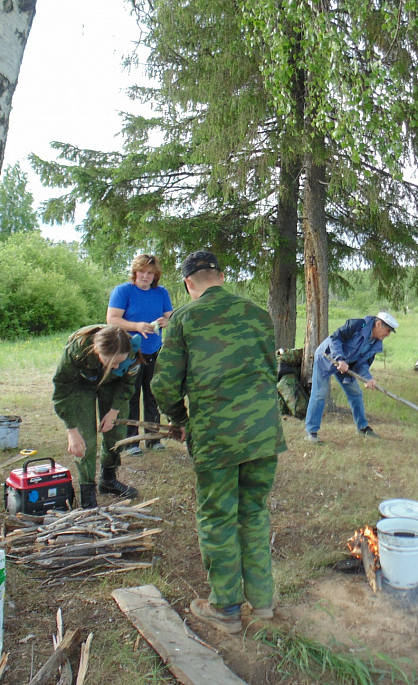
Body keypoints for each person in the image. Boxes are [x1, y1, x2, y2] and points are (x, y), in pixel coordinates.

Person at [151, 251, 287, 634]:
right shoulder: (259, 315)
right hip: (263, 434)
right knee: (255, 512)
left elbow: (163, 384)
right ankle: (262, 602)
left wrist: (180, 421)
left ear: (188, 284)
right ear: (222, 277)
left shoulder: (184, 319)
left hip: (217, 438)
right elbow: (270, 370)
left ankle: (226, 608)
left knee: (218, 516)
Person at [52, 325, 141, 509]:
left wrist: (114, 412)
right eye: (111, 362)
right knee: (86, 442)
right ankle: (87, 492)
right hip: (82, 385)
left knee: (116, 433)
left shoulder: (130, 350)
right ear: (96, 350)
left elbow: (127, 384)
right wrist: (72, 429)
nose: (116, 366)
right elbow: (62, 390)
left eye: (119, 362)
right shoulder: (77, 350)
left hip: (112, 385)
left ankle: (108, 480)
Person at [107, 254, 174, 454]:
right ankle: (131, 441)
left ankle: (153, 438)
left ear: (155, 275)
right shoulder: (123, 291)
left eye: (150, 273)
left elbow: (170, 318)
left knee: (153, 394)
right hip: (130, 351)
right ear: (135, 273)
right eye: (142, 272)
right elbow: (112, 319)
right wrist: (136, 326)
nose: (145, 276)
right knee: (131, 396)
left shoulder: (161, 293)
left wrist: (165, 322)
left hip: (155, 350)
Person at [304, 311, 399, 443]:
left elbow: (363, 364)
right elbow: (334, 339)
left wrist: (368, 378)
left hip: (346, 366)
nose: (388, 334)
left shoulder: (376, 344)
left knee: (355, 393)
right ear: (378, 324)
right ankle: (311, 432)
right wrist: (340, 359)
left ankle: (362, 428)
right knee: (320, 393)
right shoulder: (356, 325)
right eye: (388, 330)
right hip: (327, 358)